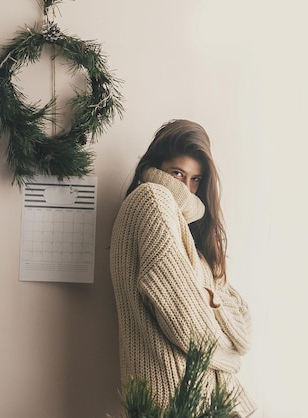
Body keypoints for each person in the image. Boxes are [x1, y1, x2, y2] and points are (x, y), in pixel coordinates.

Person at [110, 119, 256, 417]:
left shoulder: (186, 232)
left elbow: (243, 322)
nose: (186, 187)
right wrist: (230, 356)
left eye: (196, 179)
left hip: (197, 399)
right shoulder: (153, 199)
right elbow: (189, 328)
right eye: (177, 173)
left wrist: (209, 303)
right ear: (157, 166)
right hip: (174, 398)